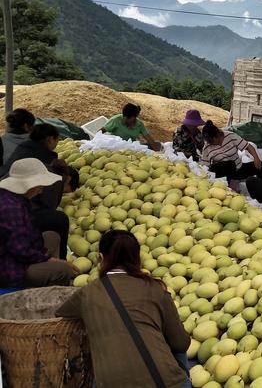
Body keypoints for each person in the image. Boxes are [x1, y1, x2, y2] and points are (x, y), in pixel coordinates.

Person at [57, 230, 190, 388]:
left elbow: (60, 314)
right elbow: (180, 344)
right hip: (165, 382)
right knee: (178, 345)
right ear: (137, 258)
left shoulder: (87, 292)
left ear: (100, 258)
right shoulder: (155, 288)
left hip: (109, 382)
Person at [0, 158, 76, 288]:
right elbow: (20, 250)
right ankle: (49, 296)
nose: (41, 190)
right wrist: (50, 260)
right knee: (65, 270)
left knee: (53, 237)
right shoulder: (11, 208)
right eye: (40, 186)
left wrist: (44, 257)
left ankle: (48, 282)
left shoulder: (15, 198)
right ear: (31, 185)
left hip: (17, 254)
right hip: (10, 268)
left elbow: (25, 237)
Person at [201, 120, 262, 188]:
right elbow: (205, 166)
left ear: (217, 135)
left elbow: (248, 146)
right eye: (208, 141)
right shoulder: (207, 146)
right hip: (221, 174)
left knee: (260, 165)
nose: (210, 143)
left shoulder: (230, 136)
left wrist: (256, 158)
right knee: (229, 164)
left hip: (238, 169)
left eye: (211, 140)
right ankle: (226, 187)